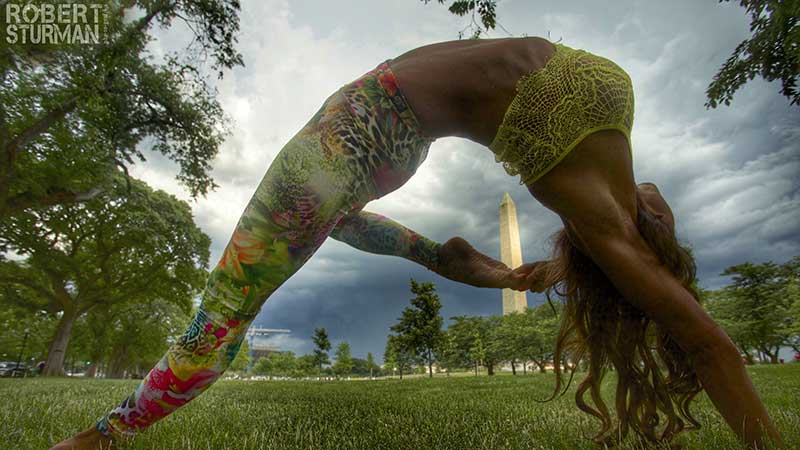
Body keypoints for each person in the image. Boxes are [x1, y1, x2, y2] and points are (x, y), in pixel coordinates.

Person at [52, 37, 783, 449]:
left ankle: (101, 438)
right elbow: (690, 321)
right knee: (271, 269)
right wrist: (477, 265)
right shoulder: (613, 217)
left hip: (410, 123)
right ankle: (443, 257)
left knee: (222, 315)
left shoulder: (627, 205)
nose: (655, 206)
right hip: (380, 135)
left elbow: (704, 339)